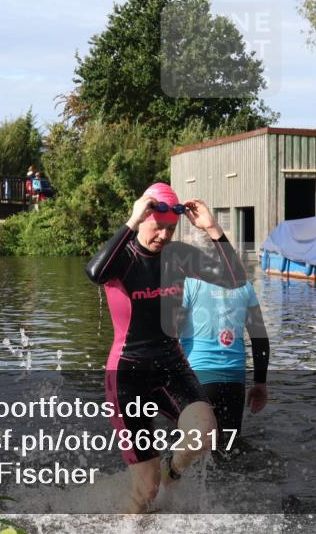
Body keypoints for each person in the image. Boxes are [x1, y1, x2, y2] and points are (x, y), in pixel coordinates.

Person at [86, 182, 247, 514]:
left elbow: (235, 278)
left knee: (205, 433)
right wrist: (130, 221)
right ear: (143, 218)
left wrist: (212, 228)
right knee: (145, 489)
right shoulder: (124, 259)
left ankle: (172, 472)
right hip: (128, 375)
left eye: (170, 229)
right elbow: (95, 272)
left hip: (171, 365)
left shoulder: (179, 257)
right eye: (157, 226)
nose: (163, 235)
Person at [180, 231, 269, 450]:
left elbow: (169, 335)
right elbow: (260, 339)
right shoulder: (245, 287)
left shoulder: (188, 285)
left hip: (197, 379)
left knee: (189, 451)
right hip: (234, 382)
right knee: (229, 449)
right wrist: (260, 383)